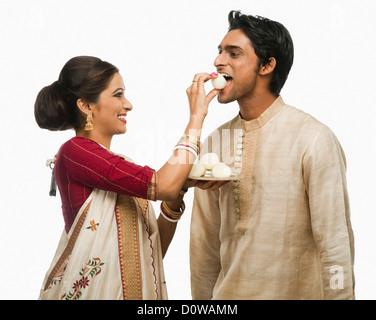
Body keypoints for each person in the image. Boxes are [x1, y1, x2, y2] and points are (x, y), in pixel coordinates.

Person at [189, 10, 355, 300]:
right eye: (219, 51)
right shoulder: (215, 142)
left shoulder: (313, 139)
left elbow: (335, 244)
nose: (218, 61)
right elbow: (203, 248)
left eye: (234, 53)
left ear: (266, 65)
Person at [34, 56, 221, 300]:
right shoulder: (75, 152)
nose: (128, 104)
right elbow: (163, 185)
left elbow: (151, 253)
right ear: (86, 106)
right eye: (118, 95)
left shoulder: (121, 166)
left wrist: (179, 193)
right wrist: (197, 118)